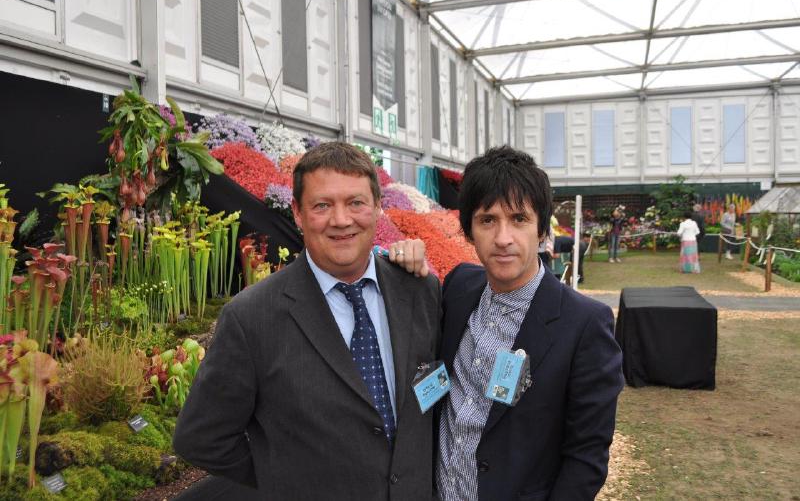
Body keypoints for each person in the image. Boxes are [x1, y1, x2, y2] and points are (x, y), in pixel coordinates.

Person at [173, 142, 441, 500]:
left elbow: (434, 394)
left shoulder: (419, 290)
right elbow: (201, 438)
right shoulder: (253, 316)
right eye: (322, 205)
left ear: (378, 206)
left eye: (356, 203)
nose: (341, 220)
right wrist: (288, 476)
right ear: (297, 213)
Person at [435, 147, 623, 500]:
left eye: (519, 219)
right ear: (469, 231)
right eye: (487, 220)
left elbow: (586, 456)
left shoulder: (584, 325)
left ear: (541, 230)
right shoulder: (459, 287)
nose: (503, 238)